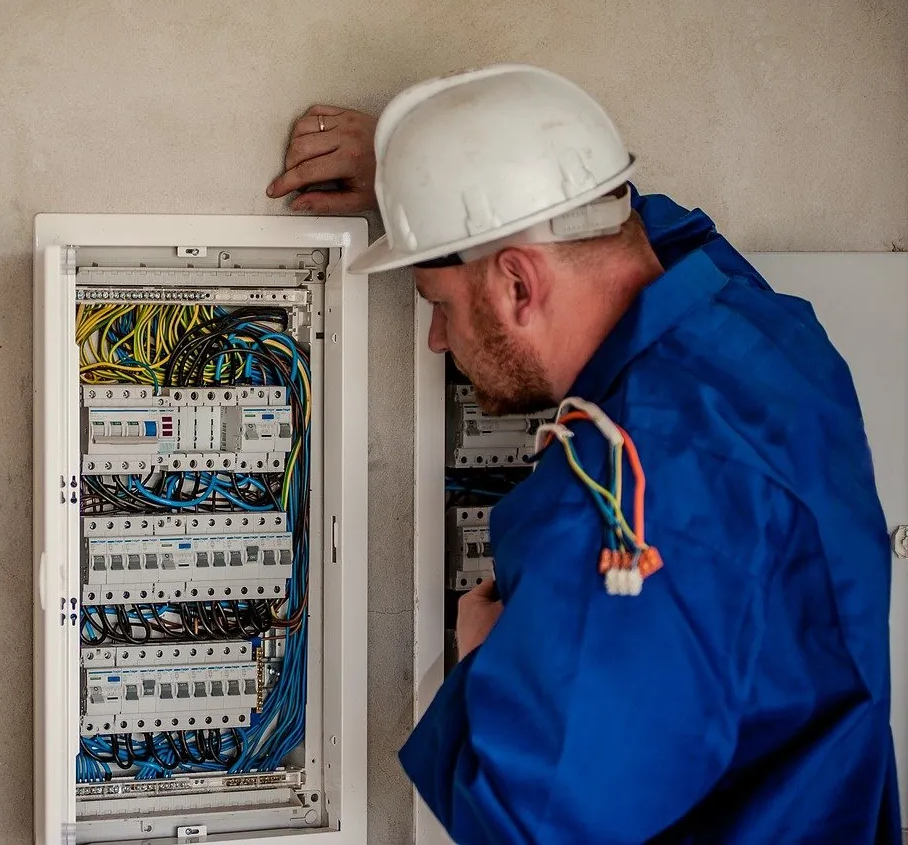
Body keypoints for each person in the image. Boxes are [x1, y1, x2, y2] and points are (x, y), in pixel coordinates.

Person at [268, 64, 901, 843]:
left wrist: (484, 667)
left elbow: (535, 820)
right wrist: (424, 180)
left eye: (439, 305)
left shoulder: (627, 494)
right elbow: (639, 228)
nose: (437, 338)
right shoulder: (769, 335)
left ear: (518, 285)